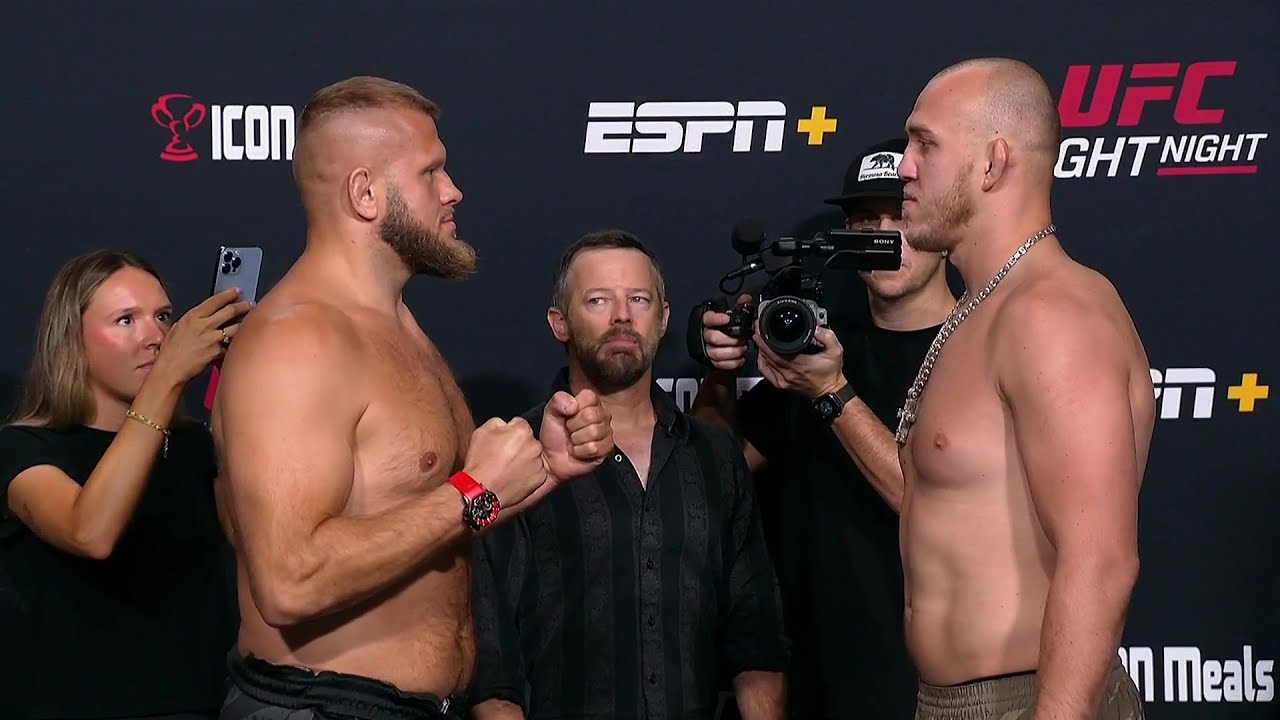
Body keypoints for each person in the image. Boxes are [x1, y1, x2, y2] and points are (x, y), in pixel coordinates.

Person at [209, 76, 615, 720]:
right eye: (431, 172)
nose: (453, 191)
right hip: (321, 707)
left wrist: (540, 472)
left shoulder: (396, 326)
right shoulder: (299, 340)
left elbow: (421, 515)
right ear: (364, 193)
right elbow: (290, 581)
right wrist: (477, 488)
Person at [893, 57, 1153, 719]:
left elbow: (1101, 560)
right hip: (952, 701)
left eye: (925, 144)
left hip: (1032, 700)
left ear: (993, 162)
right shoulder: (980, 307)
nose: (904, 167)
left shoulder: (1049, 314)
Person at [468, 230, 789, 720]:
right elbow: (492, 660)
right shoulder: (517, 455)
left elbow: (756, 633)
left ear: (663, 319)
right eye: (598, 300)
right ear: (559, 323)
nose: (622, 316)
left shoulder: (714, 455)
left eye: (638, 299)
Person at [692, 138, 956, 719]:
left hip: (930, 687)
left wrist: (831, 392)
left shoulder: (979, 348)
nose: (885, 235)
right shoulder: (813, 351)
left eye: (901, 214)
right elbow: (714, 477)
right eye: (866, 221)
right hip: (810, 683)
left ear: (941, 224)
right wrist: (719, 374)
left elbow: (934, 505)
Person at [0, 249, 249, 720]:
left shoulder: (194, 447)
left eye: (163, 317)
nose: (155, 337)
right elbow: (90, 532)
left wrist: (235, 390)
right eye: (125, 320)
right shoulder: (23, 448)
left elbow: (252, 547)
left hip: (198, 704)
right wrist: (168, 379)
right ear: (71, 340)